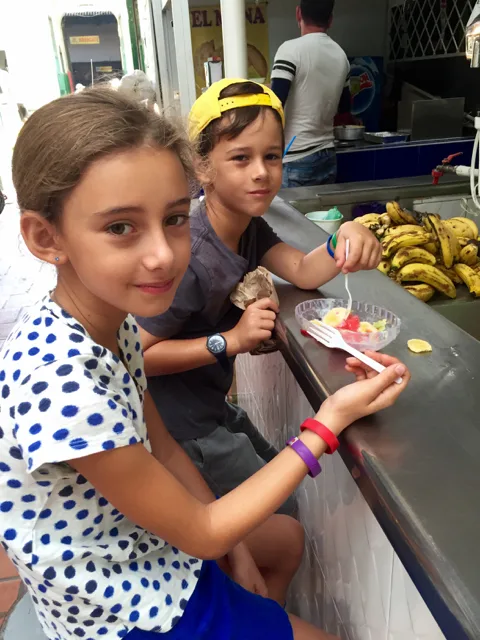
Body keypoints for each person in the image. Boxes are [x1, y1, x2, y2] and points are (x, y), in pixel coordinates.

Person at [0, 85, 410, 640]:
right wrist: (328, 421)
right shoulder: (62, 381)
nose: (163, 255)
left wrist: (235, 547)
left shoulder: (110, 323)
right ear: (45, 236)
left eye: (174, 218)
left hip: (142, 546)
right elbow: (201, 531)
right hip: (121, 607)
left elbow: (164, 448)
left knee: (282, 540)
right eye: (120, 227)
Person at [138, 78, 383, 518]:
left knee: (281, 493)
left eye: (271, 156)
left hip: (208, 411)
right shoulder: (192, 257)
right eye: (241, 158)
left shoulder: (247, 228)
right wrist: (230, 341)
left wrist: (344, 237)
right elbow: (136, 355)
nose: (261, 172)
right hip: (181, 431)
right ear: (202, 167)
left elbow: (302, 270)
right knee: (280, 514)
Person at [271, 0, 351, 188]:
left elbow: (274, 104)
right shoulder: (342, 57)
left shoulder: (290, 50)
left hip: (296, 157)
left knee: (289, 209)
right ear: (330, 20)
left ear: (298, 13)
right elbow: (345, 107)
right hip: (328, 155)